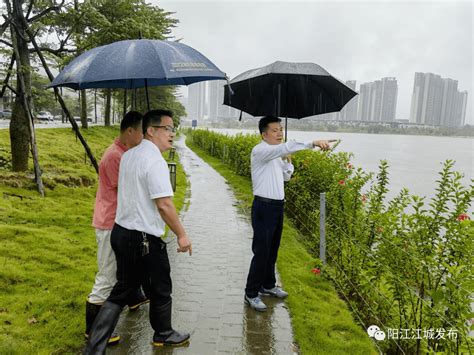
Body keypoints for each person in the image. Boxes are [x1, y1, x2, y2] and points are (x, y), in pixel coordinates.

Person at [85, 109, 192, 354]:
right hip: (144, 238)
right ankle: (163, 333)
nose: (172, 134)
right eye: (167, 128)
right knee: (161, 288)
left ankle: (94, 345)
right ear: (151, 130)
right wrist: (182, 235)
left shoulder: (130, 155)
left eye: (173, 128)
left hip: (122, 233)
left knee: (121, 288)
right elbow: (164, 204)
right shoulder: (154, 161)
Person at [244, 115, 335, 311]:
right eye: (275, 130)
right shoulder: (260, 150)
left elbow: (285, 177)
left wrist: (288, 163)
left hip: (277, 207)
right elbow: (284, 147)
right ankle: (251, 293)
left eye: (281, 130)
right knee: (261, 251)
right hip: (263, 207)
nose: (280, 133)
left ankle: (267, 285)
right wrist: (313, 143)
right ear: (263, 134)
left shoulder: (275, 155)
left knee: (272, 249)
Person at [85, 111, 147, 345]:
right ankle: (93, 330)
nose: (143, 137)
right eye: (141, 132)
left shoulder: (125, 153)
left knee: (123, 269)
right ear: (130, 131)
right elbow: (127, 189)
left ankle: (133, 298)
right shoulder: (115, 157)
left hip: (118, 222)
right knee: (107, 276)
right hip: (109, 222)